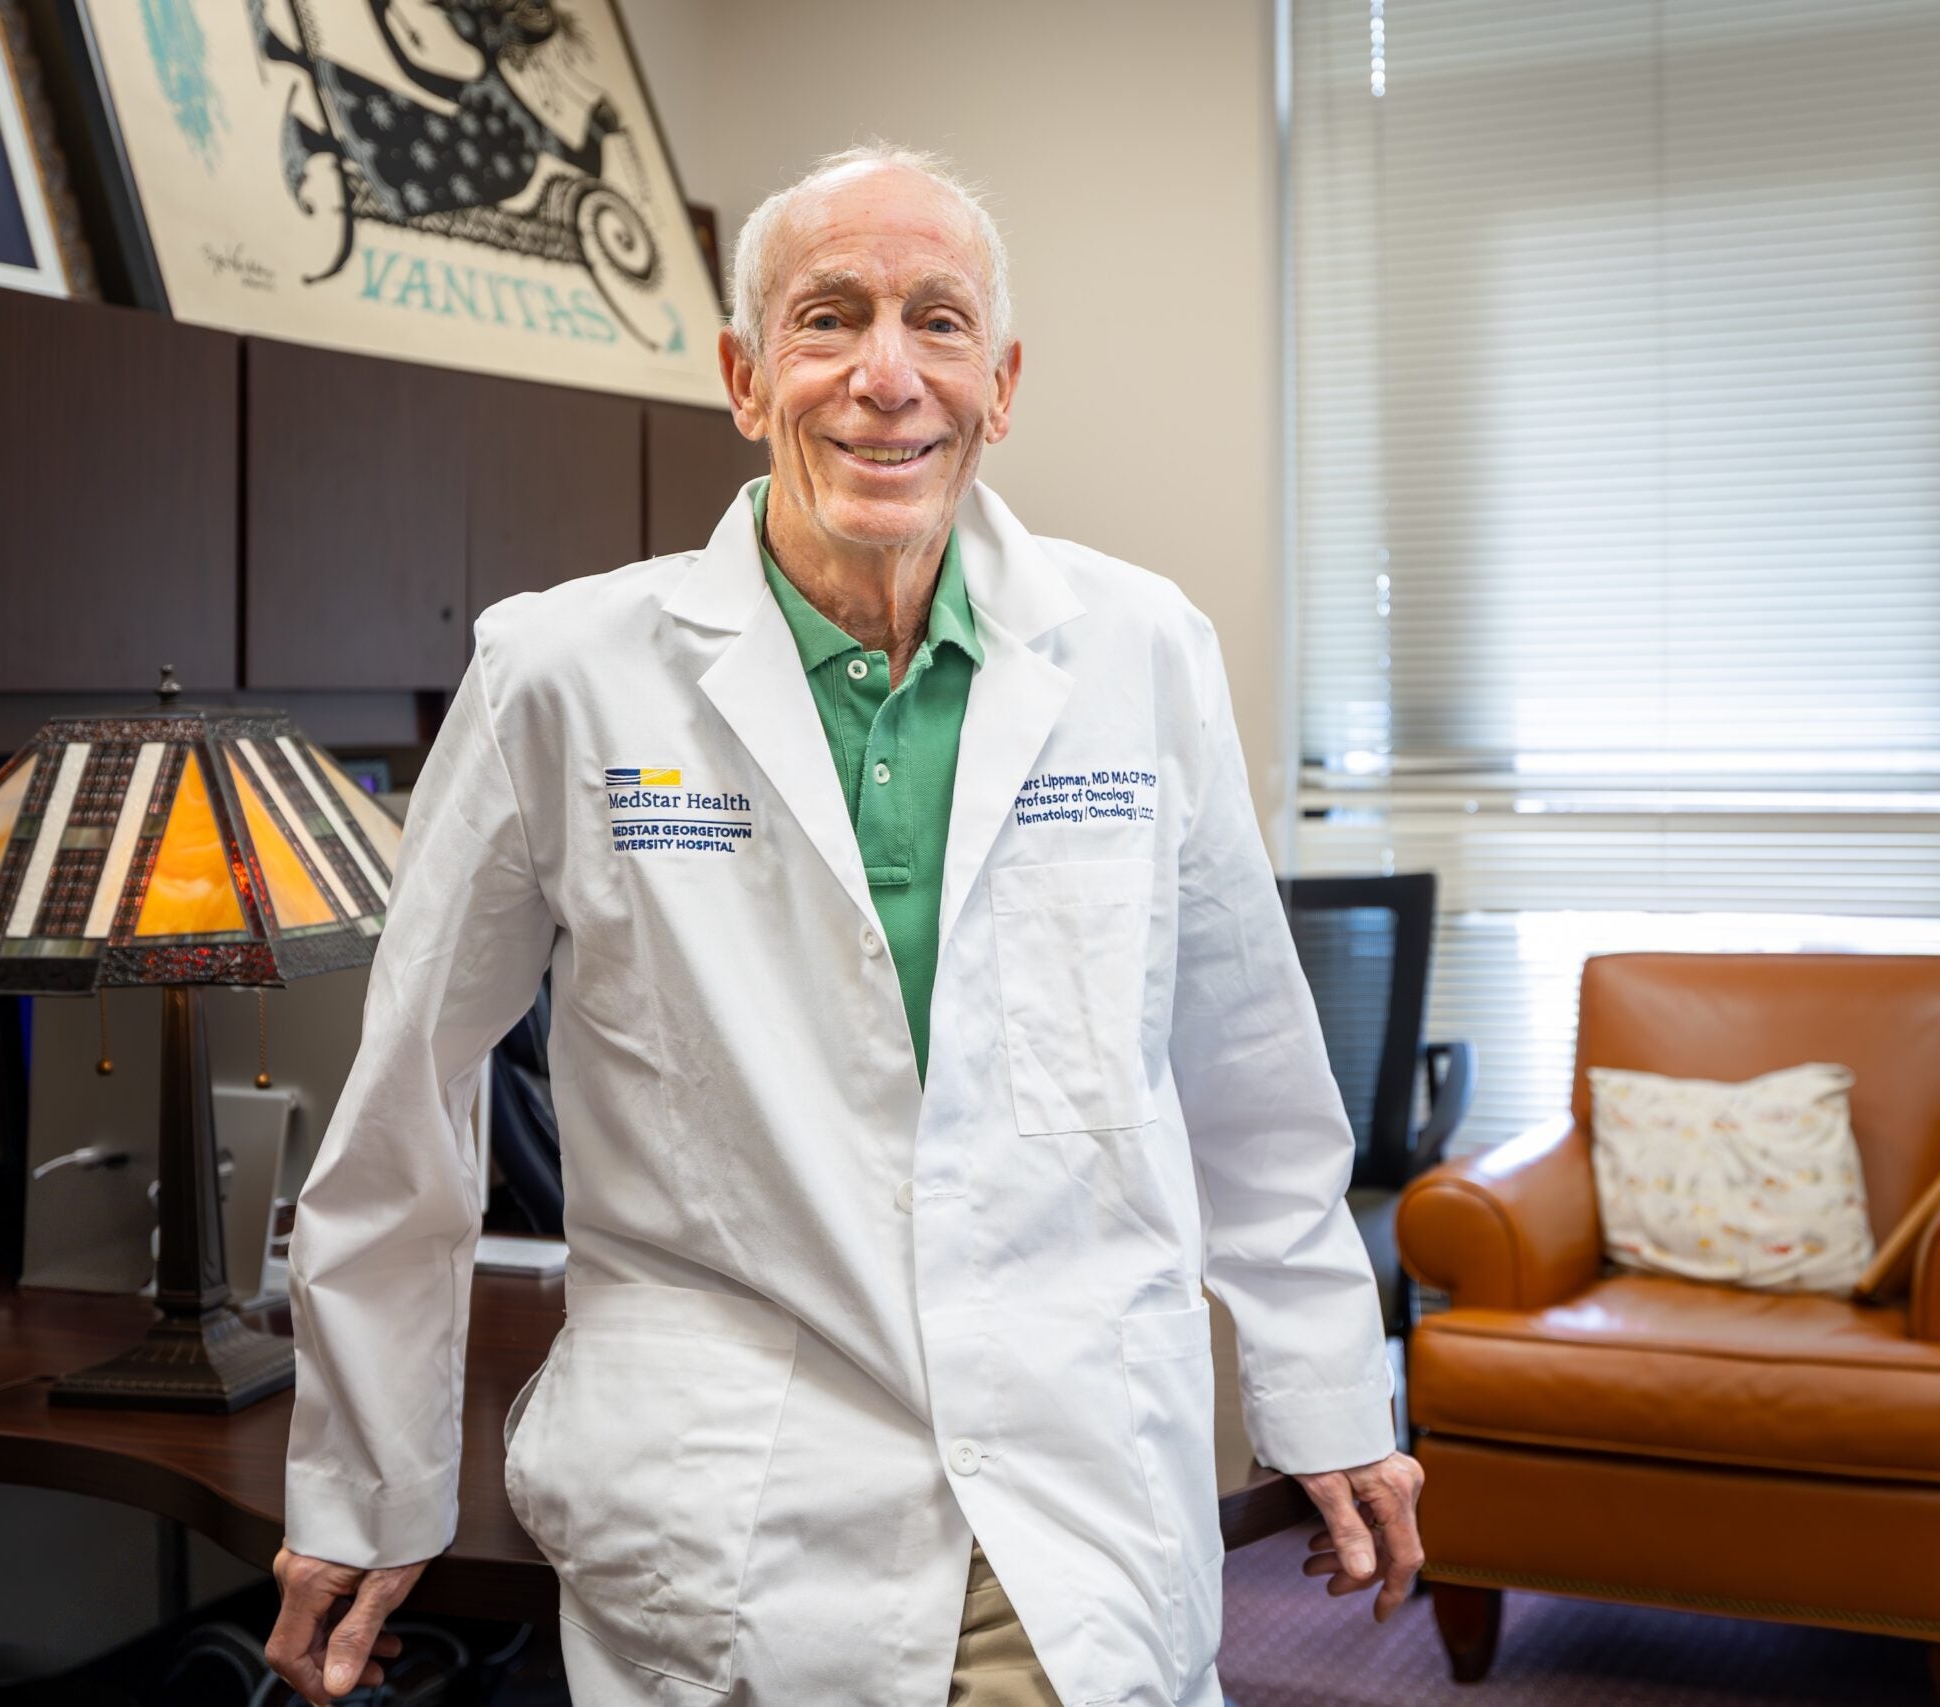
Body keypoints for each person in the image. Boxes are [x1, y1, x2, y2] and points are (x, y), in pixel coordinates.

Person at [264, 143, 1422, 1707]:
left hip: (1071, 1493)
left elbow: (1249, 1075)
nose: (889, 376)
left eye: (938, 322)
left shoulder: (1141, 650)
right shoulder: (564, 672)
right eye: (831, 320)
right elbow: (409, 1107)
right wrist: (364, 1480)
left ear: (1001, 384)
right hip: (734, 1512)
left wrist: (1332, 1390)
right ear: (747, 377)